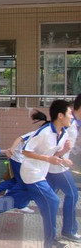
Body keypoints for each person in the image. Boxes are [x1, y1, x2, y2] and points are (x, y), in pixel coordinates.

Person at [0, 100, 72, 248]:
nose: (71, 117)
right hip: (31, 173)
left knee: (17, 199)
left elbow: (52, 153)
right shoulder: (45, 131)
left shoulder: (63, 133)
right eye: (69, 114)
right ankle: (50, 242)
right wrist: (49, 159)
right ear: (60, 115)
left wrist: (63, 153)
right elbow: (26, 150)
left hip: (41, 172)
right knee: (52, 201)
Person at [0, 110, 49, 214]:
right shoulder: (35, 134)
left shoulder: (42, 136)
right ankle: (13, 200)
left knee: (19, 181)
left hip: (21, 159)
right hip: (18, 159)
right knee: (24, 183)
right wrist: (12, 149)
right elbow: (20, 138)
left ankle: (0, 189)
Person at [45, 95, 81, 243]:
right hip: (58, 166)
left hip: (56, 165)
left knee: (49, 199)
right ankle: (68, 230)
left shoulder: (73, 121)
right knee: (72, 194)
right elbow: (58, 145)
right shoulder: (69, 122)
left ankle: (51, 233)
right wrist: (62, 156)